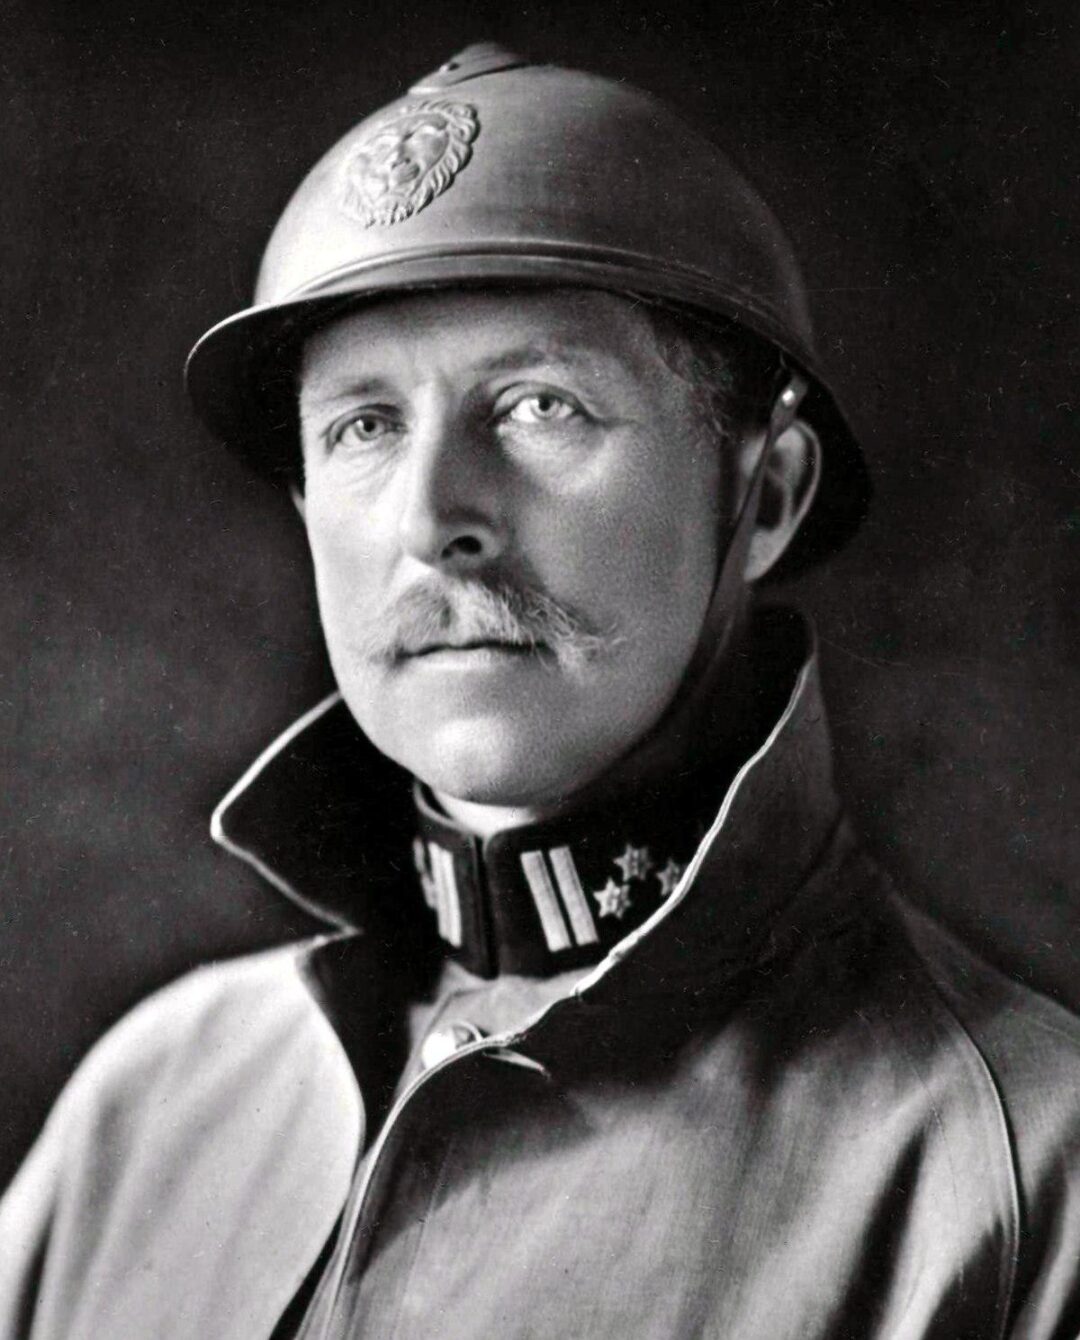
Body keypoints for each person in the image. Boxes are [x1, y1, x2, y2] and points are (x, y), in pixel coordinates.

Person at [2, 42, 1079, 1340]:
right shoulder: (155, 1103)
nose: (431, 518)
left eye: (540, 406)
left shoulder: (1029, 1176)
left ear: (767, 495)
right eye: (364, 425)